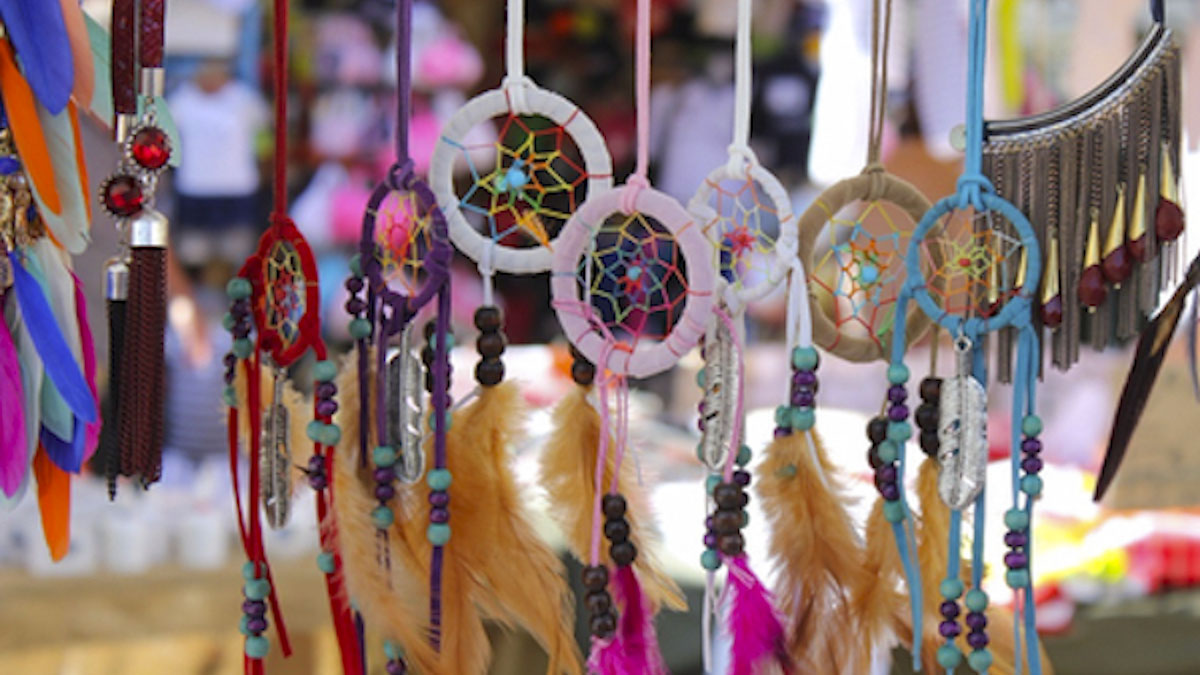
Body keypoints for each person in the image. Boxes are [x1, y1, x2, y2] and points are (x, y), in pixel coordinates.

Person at [167, 58, 268, 266]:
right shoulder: (181, 100)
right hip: (194, 188)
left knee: (237, 252)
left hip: (236, 188)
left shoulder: (245, 99)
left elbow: (263, 138)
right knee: (193, 253)